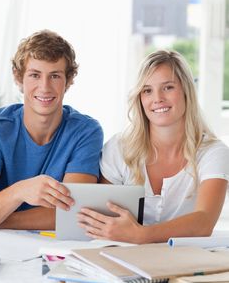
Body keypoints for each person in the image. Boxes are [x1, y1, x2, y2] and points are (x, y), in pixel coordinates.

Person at [78, 49, 229, 244]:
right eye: (147, 90)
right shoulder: (118, 148)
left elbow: (204, 222)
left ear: (186, 91)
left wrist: (141, 235)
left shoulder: (213, 153)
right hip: (122, 256)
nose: (157, 98)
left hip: (185, 261)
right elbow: (101, 218)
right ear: (140, 98)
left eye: (168, 87)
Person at [0, 30, 103, 230]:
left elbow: (72, 213)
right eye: (34, 75)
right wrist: (20, 191)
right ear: (19, 78)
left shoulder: (86, 132)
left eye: (55, 76)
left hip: (51, 245)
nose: (45, 87)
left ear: (68, 81)